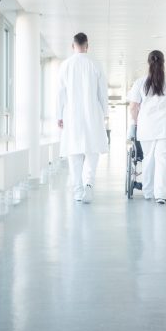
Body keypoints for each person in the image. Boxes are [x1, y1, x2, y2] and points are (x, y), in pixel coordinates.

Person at [127, 50, 166, 204]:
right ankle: (160, 194)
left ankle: (148, 191)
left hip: (147, 126)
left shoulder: (140, 82)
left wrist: (137, 121)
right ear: (163, 62)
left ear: (148, 63)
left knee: (148, 158)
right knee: (163, 158)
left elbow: (133, 107)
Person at [57, 32, 109, 203]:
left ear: (73, 46)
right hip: (93, 113)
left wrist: (59, 115)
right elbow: (102, 92)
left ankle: (78, 190)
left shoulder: (65, 65)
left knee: (74, 153)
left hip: (71, 115)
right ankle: (89, 185)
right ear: (87, 45)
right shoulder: (95, 64)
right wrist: (105, 113)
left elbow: (60, 93)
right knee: (92, 150)